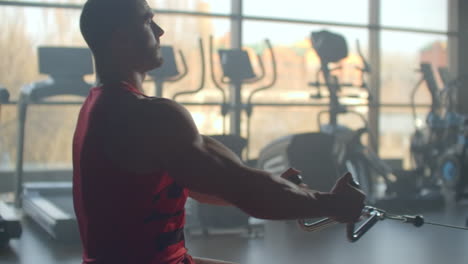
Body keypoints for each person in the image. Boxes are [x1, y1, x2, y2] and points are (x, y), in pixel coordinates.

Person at [73, 0, 366, 263]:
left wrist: (276, 186)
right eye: (147, 21)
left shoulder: (100, 105)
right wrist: (332, 204)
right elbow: (245, 190)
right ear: (120, 38)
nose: (160, 31)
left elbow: (208, 183)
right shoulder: (149, 115)